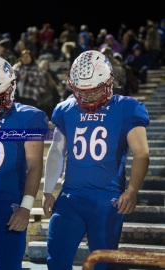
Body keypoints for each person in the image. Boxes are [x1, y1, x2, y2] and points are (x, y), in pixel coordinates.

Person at [42, 50, 150, 270]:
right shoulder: (65, 108)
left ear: (109, 82)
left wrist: (131, 191)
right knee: (56, 258)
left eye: (94, 90)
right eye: (83, 91)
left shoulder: (127, 107)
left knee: (102, 264)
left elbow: (141, 153)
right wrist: (48, 189)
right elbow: (56, 150)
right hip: (71, 196)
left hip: (107, 199)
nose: (88, 96)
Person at [0, 57, 49, 270]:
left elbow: (34, 166)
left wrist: (25, 207)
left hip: (8, 207)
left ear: (10, 89)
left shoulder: (29, 117)